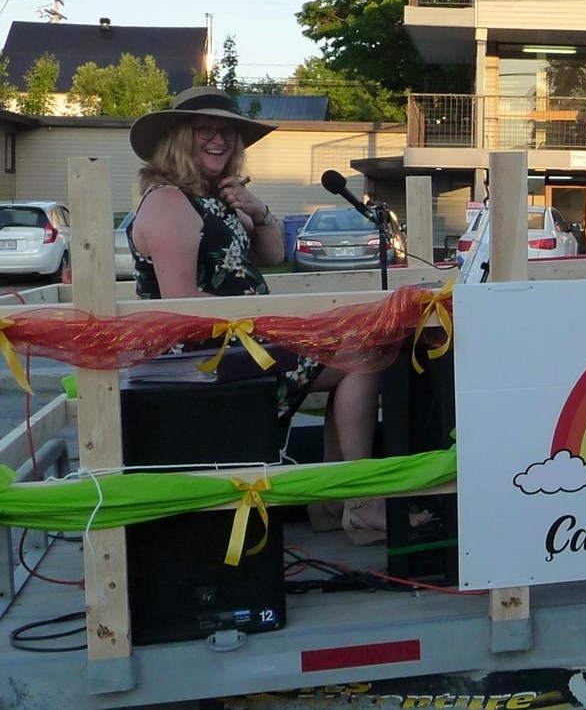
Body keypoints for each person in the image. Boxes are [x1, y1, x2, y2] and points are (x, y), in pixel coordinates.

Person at [125, 87, 398, 545]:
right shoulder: (169, 201)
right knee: (361, 353)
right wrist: (271, 323)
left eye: (227, 132)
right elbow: (181, 303)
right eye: (205, 130)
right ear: (177, 139)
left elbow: (271, 255)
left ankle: (337, 500)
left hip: (240, 341)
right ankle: (358, 504)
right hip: (199, 356)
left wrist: (258, 211)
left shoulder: (216, 198)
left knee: (362, 349)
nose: (219, 140)